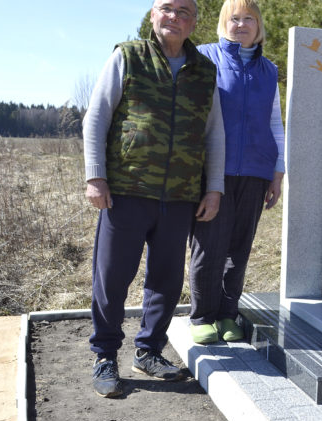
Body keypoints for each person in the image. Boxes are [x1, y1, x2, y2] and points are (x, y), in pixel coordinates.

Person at [83, 0, 226, 398]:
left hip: (180, 195)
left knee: (166, 279)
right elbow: (97, 116)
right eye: (167, 8)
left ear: (195, 22)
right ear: (152, 14)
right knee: (112, 278)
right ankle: (105, 354)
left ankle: (148, 351)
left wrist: (213, 188)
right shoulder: (128, 56)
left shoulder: (204, 71)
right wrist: (96, 176)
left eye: (185, 11)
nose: (175, 17)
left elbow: (215, 134)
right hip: (126, 191)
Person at [187, 0, 285, 344]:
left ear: (258, 27)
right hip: (214, 171)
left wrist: (278, 172)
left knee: (239, 250)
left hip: (257, 171)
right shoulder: (204, 57)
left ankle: (228, 315)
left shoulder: (269, 71)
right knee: (208, 246)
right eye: (234, 18)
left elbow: (275, 122)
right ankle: (201, 316)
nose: (241, 24)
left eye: (249, 19)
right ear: (223, 23)